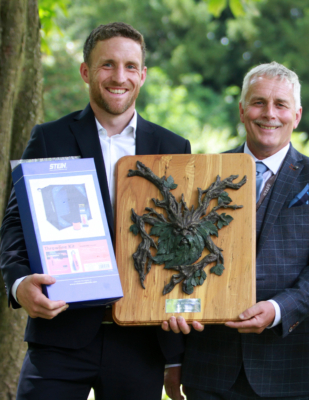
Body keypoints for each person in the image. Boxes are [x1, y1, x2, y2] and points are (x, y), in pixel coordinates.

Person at [0, 22, 191, 400]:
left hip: (141, 339)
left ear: (143, 75)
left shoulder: (173, 147)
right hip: (60, 331)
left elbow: (183, 244)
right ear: (86, 71)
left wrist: (176, 352)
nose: (119, 77)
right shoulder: (49, 137)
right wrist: (20, 284)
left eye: (130, 66)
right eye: (107, 65)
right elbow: (14, 226)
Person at [164, 61, 309, 399]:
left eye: (281, 104)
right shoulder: (202, 175)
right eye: (259, 102)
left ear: (297, 114)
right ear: (242, 110)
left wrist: (279, 309)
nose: (269, 114)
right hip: (211, 367)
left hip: (295, 370)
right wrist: (173, 338)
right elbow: (179, 259)